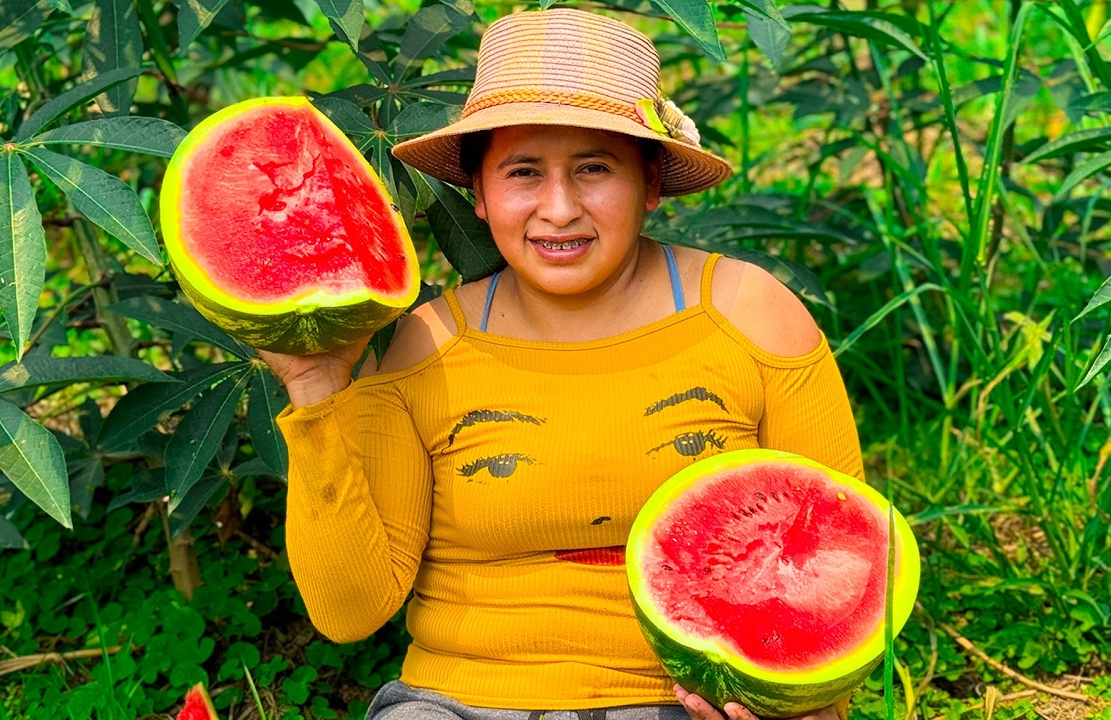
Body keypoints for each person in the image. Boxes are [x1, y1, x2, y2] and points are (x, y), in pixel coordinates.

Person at [258, 8, 862, 720]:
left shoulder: (751, 315)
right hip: (457, 702)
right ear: (479, 195)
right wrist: (316, 386)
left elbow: (838, 563)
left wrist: (810, 705)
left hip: (684, 700)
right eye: (523, 172)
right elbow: (348, 612)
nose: (559, 208)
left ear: (651, 182)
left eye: (593, 169)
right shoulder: (423, 344)